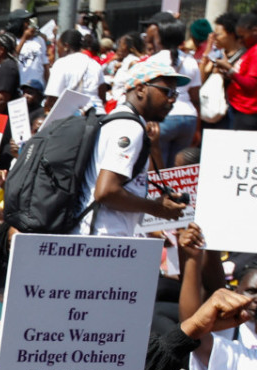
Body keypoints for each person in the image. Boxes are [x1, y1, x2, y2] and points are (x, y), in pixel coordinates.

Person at [76, 58, 189, 237]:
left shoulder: (118, 119)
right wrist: (157, 208)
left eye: (175, 94)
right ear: (141, 89)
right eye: (167, 92)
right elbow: (106, 191)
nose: (172, 100)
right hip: (104, 239)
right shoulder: (129, 127)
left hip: (103, 237)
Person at [150, 20, 203, 167]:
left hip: (164, 118)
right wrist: (198, 128)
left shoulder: (153, 61)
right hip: (189, 118)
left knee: (158, 166)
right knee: (178, 170)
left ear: (159, 38)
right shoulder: (191, 61)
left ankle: (162, 191)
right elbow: (195, 98)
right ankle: (175, 191)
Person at [45, 30, 107, 113]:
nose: (58, 51)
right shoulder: (94, 64)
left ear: (66, 46)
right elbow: (102, 96)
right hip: (98, 114)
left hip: (75, 117)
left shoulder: (61, 64)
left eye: (58, 46)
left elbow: (53, 98)